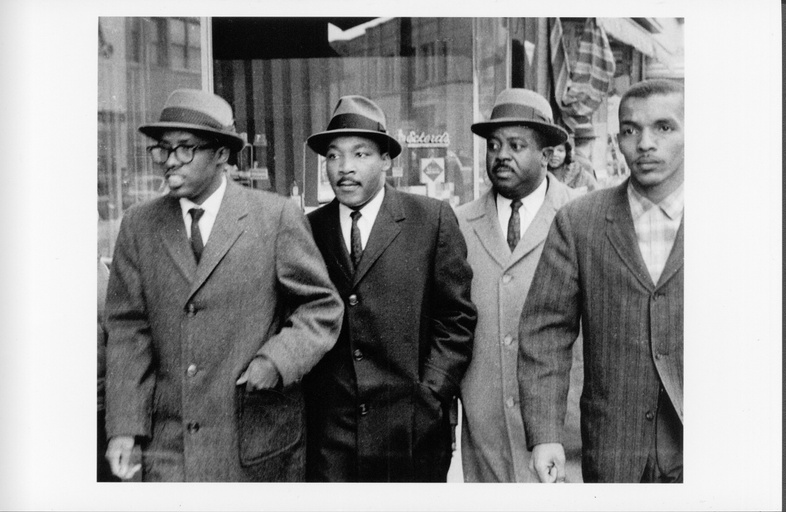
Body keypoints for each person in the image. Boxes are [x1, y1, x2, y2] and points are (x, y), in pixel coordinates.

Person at [104, 89, 344, 482]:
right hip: (169, 447)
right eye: (163, 149)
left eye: (185, 148)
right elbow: (128, 331)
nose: (169, 161)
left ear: (220, 155)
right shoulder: (139, 225)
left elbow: (321, 307)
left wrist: (277, 360)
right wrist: (124, 429)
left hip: (253, 443)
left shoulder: (275, 216)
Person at [518, 78, 684, 483]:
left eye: (664, 127)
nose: (645, 143)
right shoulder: (580, 222)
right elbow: (545, 332)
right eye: (630, 130)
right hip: (615, 450)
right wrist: (545, 435)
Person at [304, 95, 477, 482]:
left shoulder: (429, 220)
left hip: (411, 433)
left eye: (360, 153)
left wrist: (430, 393)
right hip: (331, 439)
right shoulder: (308, 230)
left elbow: (457, 319)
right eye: (333, 156)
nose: (344, 168)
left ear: (386, 160)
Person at [455, 88, 578, 482]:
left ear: (547, 155)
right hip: (486, 440)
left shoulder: (581, 217)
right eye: (493, 145)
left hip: (565, 436)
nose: (501, 154)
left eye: (516, 145)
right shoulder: (458, 224)